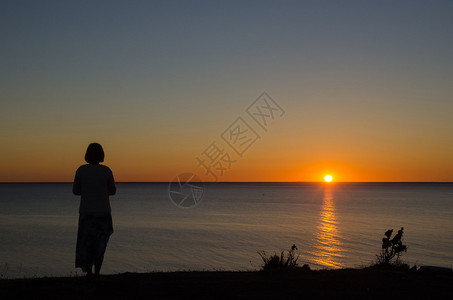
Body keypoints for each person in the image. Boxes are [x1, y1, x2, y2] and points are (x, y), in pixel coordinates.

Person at [73, 143, 116, 278]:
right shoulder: (106, 171)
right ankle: (97, 272)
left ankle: (89, 272)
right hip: (103, 212)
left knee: (87, 243)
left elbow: (76, 191)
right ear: (102, 155)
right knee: (100, 244)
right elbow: (113, 191)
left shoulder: (81, 170)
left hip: (86, 213)